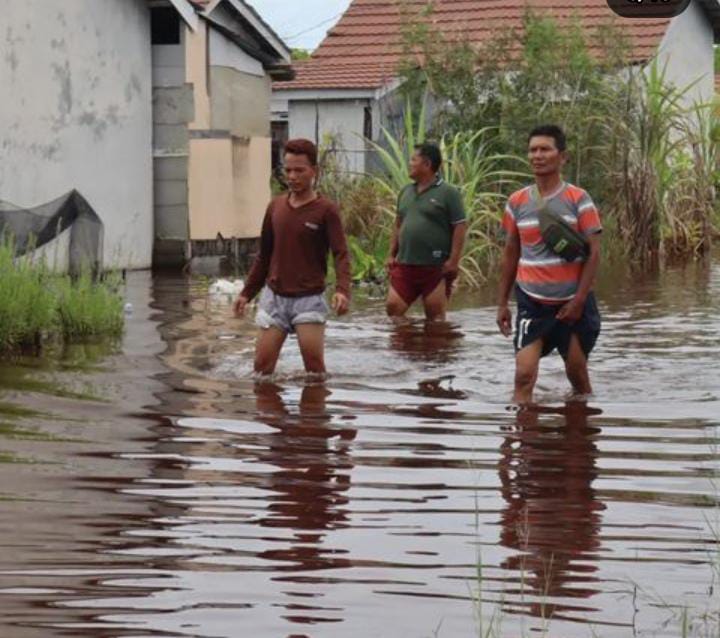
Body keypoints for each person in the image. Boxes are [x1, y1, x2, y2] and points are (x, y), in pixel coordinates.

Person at [496, 125, 602, 404]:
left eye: (545, 149)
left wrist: (579, 301)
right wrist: (502, 303)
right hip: (532, 304)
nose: (538, 155)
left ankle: (580, 437)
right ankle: (521, 442)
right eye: (533, 150)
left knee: (577, 376)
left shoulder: (579, 200)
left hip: (573, 305)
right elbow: (511, 252)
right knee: (523, 376)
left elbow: (594, 253)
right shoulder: (516, 202)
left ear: (562, 157)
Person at [233, 138, 351, 376]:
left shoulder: (326, 210)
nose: (293, 176)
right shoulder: (275, 207)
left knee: (315, 371)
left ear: (314, 172)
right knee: (261, 371)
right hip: (274, 299)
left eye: (299, 170)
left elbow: (340, 253)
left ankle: (314, 413)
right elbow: (264, 256)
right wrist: (246, 293)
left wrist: (342, 290)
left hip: (309, 299)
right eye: (288, 170)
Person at [385, 143, 467, 322]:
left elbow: (460, 226)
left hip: (435, 267)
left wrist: (454, 261)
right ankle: (409, 347)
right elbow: (398, 224)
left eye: (414, 159)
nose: (410, 163)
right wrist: (391, 254)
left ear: (427, 164)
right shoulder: (406, 191)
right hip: (405, 265)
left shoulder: (448, 193)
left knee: (435, 318)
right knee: (393, 309)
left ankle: (431, 349)